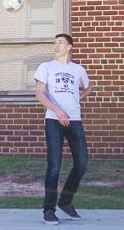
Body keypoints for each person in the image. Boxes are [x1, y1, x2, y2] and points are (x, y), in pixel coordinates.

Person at [34, 32, 90, 225]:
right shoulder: (46, 67)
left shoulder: (78, 70)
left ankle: (65, 201)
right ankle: (49, 210)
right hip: (53, 121)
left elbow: (89, 87)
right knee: (54, 166)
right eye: (54, 43)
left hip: (74, 120)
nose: (56, 46)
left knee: (82, 163)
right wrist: (57, 110)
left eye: (60, 43)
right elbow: (40, 94)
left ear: (69, 47)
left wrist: (76, 101)